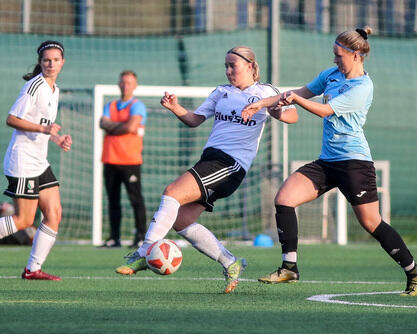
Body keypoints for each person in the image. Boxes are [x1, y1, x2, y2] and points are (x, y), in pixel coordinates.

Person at [242, 27, 417, 297]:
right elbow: (300, 91)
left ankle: (414, 271)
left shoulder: (363, 86)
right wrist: (261, 103)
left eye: (339, 56)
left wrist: (295, 101)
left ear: (356, 55)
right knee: (284, 198)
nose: (335, 60)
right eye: (333, 54)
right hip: (327, 162)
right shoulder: (330, 75)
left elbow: (325, 110)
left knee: (371, 223)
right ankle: (289, 267)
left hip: (354, 163)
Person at [115, 46, 298, 293]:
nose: (228, 70)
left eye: (233, 65)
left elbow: (293, 116)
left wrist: (276, 112)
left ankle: (145, 250)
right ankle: (230, 262)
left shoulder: (265, 92)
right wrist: (175, 108)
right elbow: (194, 120)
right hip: (209, 161)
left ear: (251, 66)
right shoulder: (220, 92)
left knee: (172, 192)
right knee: (181, 220)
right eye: (226, 66)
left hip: (230, 164)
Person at [0, 40, 72, 280]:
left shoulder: (55, 89)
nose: (51, 64)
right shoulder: (34, 86)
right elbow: (12, 119)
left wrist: (57, 139)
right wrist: (45, 131)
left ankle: (32, 269)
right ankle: (32, 270)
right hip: (23, 162)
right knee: (24, 219)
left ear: (63, 62)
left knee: (54, 213)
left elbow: (42, 126)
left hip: (40, 162)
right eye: (46, 60)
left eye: (55, 60)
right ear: (40, 62)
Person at [99, 70, 148, 248]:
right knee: (113, 201)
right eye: (123, 82)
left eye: (129, 82)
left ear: (135, 85)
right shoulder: (110, 105)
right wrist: (123, 127)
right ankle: (114, 238)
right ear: (118, 83)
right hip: (110, 159)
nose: (125, 85)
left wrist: (114, 127)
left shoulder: (137, 105)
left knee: (136, 200)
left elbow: (131, 126)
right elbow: (102, 123)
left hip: (130, 161)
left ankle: (141, 236)